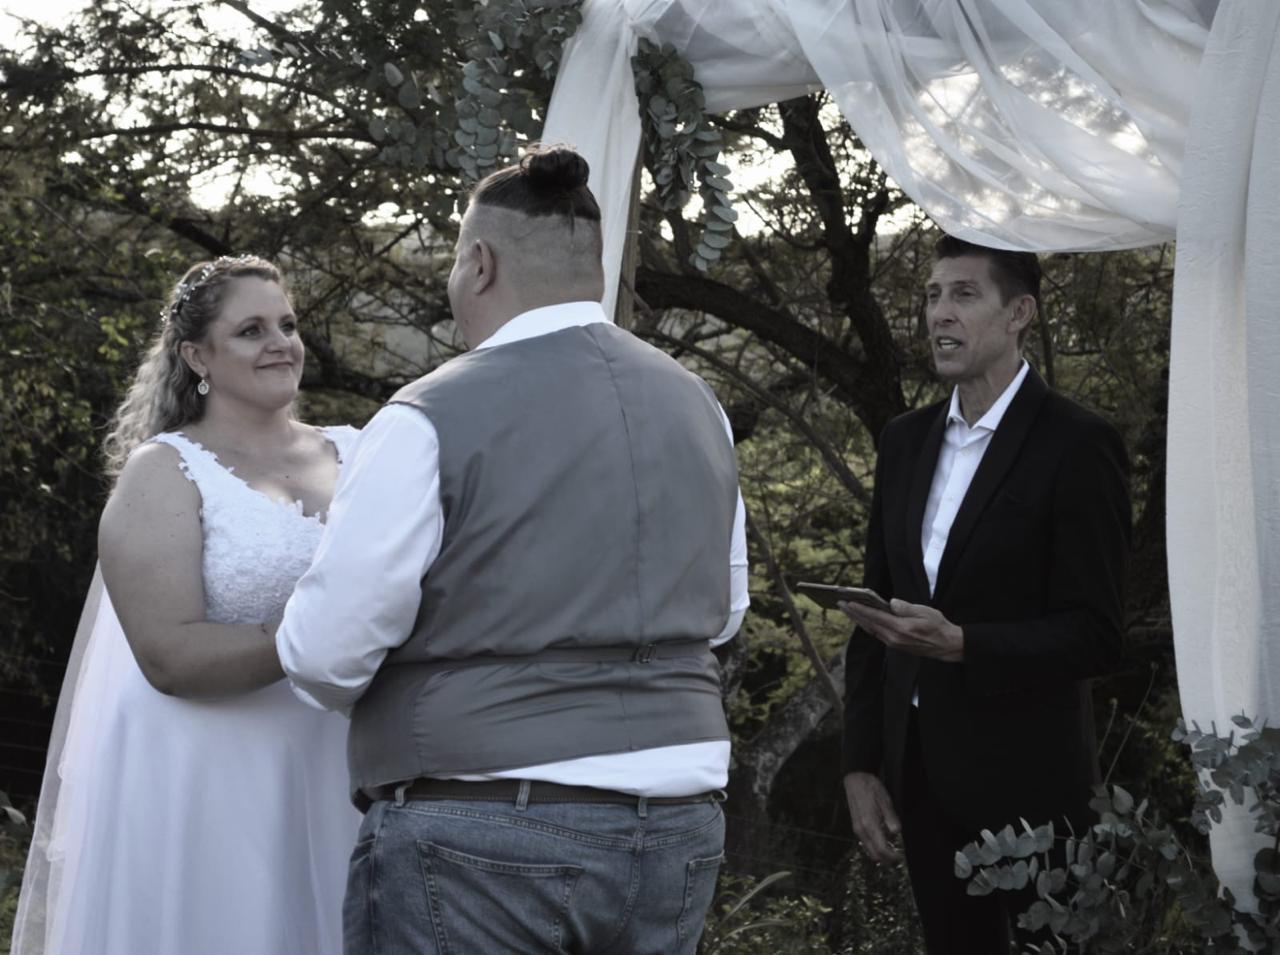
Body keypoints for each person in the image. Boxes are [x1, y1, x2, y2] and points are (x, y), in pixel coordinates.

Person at [275, 145, 749, 955]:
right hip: (678, 819)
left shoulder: (427, 415)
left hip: (484, 824)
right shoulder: (699, 404)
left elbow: (326, 652)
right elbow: (724, 612)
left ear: (480, 264)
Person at [11, 255, 360, 955]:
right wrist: (322, 631)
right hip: (207, 776)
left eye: (288, 325)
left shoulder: (358, 452)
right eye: (251, 330)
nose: (281, 343)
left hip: (334, 763)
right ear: (197, 356)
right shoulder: (166, 471)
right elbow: (168, 655)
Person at [839, 236, 1130, 953]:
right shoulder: (904, 440)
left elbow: (1097, 633)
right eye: (933, 295)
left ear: (1019, 313)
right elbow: (873, 613)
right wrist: (860, 764)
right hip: (920, 779)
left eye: (964, 294)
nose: (940, 313)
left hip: (1037, 789)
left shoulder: (1078, 443)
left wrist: (965, 644)